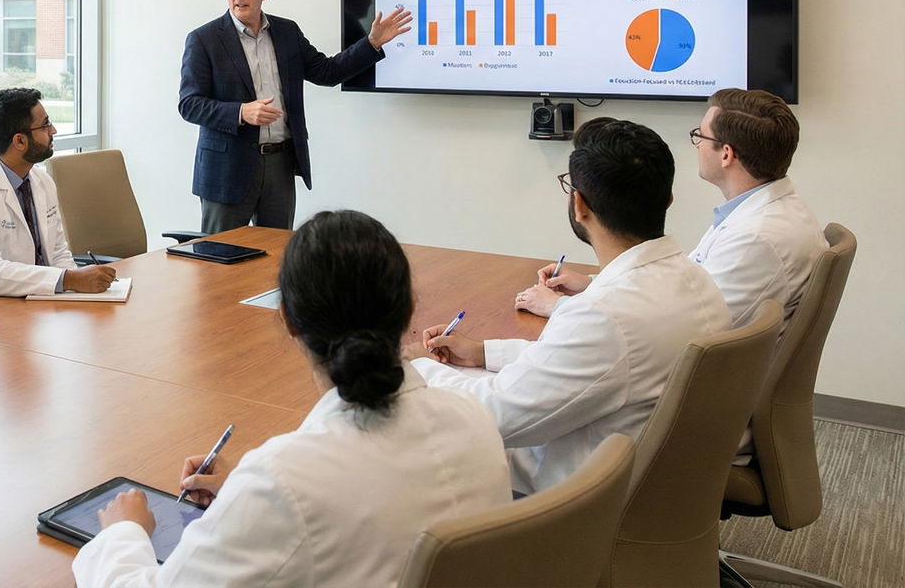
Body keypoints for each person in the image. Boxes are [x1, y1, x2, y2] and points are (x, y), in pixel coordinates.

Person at [73, 211, 510, 587]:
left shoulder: (285, 481)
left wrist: (124, 532)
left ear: (287, 320)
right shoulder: (472, 418)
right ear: (409, 311)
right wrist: (245, 503)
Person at [414, 118, 729, 494]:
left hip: (567, 499)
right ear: (668, 199)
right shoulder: (697, 279)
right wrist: (485, 353)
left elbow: (494, 416)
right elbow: (584, 361)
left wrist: (415, 367)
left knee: (409, 436)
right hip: (655, 480)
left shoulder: (604, 315)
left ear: (579, 204)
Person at [517, 88, 823, 328]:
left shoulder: (756, 237)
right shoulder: (767, 213)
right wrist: (593, 286)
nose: (697, 145)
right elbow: (683, 291)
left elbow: (690, 323)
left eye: (700, 136)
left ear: (726, 154)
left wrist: (560, 307)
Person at [178, 0, 412, 232]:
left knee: (277, 258)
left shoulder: (287, 32)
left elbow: (327, 72)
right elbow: (189, 104)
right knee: (221, 258)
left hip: (279, 163)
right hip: (226, 169)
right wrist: (241, 112)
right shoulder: (204, 39)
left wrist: (371, 42)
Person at [0, 88, 115, 301]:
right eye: (46, 125)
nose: (54, 131)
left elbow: (58, 254)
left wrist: (80, 291)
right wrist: (69, 279)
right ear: (20, 141)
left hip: (31, 302)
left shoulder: (42, 181)